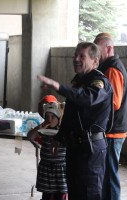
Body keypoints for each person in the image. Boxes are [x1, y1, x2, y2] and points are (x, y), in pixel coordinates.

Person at [37, 42, 113, 200]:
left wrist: (59, 87)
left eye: (81, 56)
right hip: (75, 146)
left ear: (95, 61)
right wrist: (59, 138)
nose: (76, 59)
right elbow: (71, 114)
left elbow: (88, 98)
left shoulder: (100, 82)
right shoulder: (79, 81)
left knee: (88, 193)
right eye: (75, 55)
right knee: (76, 192)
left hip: (90, 149)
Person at [94, 34, 127, 200]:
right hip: (111, 131)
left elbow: (113, 103)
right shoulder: (108, 67)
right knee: (106, 174)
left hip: (113, 132)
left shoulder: (113, 69)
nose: (96, 56)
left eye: (98, 51)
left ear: (108, 49)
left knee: (109, 176)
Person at [27, 95, 67, 200]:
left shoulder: (64, 131)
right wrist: (40, 127)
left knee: (60, 196)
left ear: (59, 118)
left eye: (53, 117)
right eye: (47, 116)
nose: (49, 119)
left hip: (60, 169)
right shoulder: (43, 131)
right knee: (46, 196)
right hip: (46, 168)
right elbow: (30, 136)